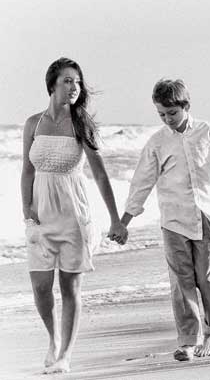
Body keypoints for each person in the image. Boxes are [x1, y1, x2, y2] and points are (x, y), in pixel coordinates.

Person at [121, 79, 210, 360]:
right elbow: (141, 182)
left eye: (172, 114)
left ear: (186, 106)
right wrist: (124, 221)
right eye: (162, 115)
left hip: (206, 216)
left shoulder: (208, 132)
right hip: (173, 221)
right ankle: (188, 340)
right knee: (181, 281)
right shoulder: (157, 142)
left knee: (208, 278)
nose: (168, 120)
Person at [20, 57, 128, 374]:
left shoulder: (81, 125)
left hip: (74, 219)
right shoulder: (33, 124)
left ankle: (66, 355)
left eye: (78, 82)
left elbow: (101, 175)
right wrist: (26, 210)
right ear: (52, 84)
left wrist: (115, 219)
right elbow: (27, 171)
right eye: (68, 80)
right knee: (40, 288)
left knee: (70, 290)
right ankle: (53, 341)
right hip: (40, 218)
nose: (74, 87)